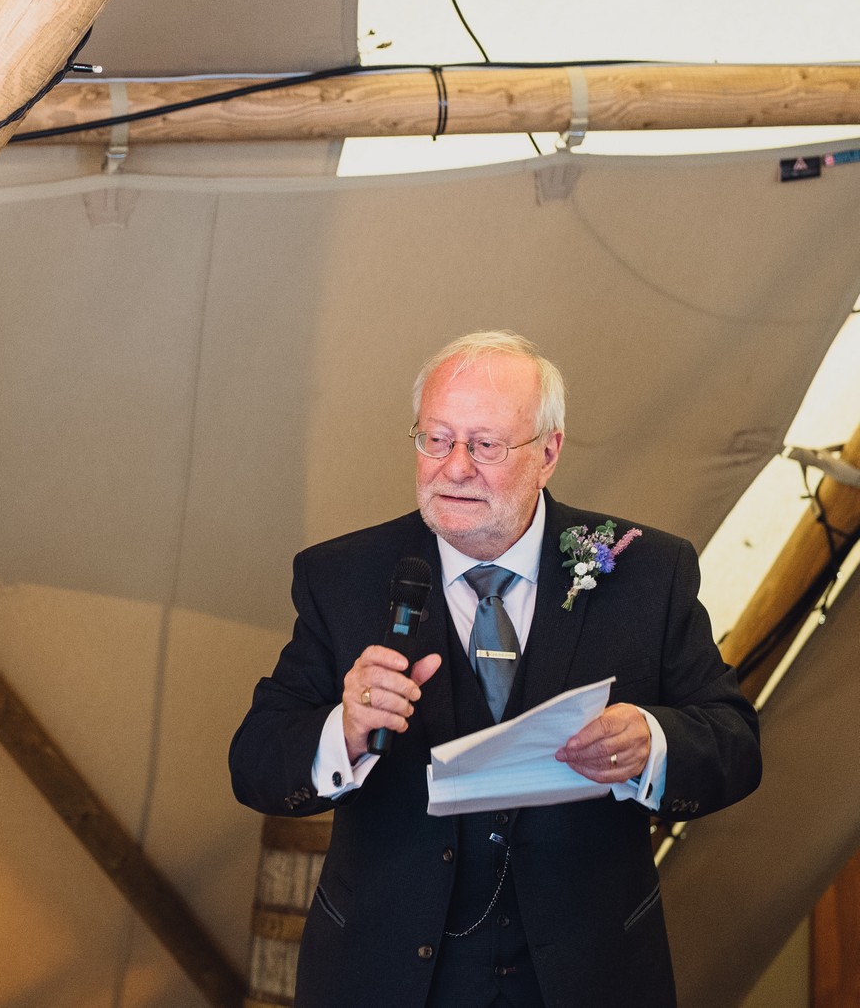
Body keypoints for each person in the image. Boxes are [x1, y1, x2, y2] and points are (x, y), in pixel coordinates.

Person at [228, 330, 760, 1008]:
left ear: (548, 452)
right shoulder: (342, 577)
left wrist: (652, 744)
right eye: (436, 439)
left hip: (588, 975)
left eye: (484, 445)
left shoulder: (646, 572)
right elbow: (255, 760)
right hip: (388, 976)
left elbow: (735, 743)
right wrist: (346, 729)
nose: (454, 468)